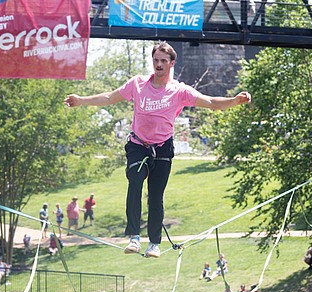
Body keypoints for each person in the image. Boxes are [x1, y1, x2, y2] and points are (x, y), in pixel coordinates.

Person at [64, 42, 251, 258]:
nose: (159, 64)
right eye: (156, 60)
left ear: (171, 63)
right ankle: (134, 238)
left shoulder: (179, 91)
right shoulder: (138, 84)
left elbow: (210, 102)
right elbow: (109, 98)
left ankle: (154, 243)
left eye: (163, 61)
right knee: (135, 180)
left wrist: (234, 101)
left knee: (155, 196)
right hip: (138, 145)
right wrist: (80, 101)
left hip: (163, 149)